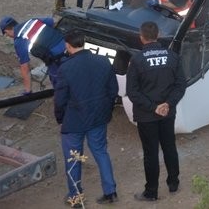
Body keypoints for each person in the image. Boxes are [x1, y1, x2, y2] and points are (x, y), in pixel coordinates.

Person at [54, 30, 119, 207]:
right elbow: (113, 91)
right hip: (98, 117)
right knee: (100, 152)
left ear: (67, 45)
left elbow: (60, 100)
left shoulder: (65, 68)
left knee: (73, 159)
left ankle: (76, 197)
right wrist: (106, 110)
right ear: (84, 42)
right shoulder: (103, 60)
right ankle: (110, 191)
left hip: (74, 122)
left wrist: (60, 119)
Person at [126, 21, 186, 202]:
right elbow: (180, 85)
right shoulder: (172, 56)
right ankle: (173, 183)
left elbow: (132, 92)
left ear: (141, 37)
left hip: (147, 115)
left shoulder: (137, 60)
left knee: (151, 153)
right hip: (168, 112)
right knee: (169, 146)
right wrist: (167, 103)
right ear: (158, 35)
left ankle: (151, 192)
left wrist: (153, 107)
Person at [0, 15, 67, 94]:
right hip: (69, 48)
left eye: (6, 33)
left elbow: (25, 67)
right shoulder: (32, 21)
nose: (7, 35)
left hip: (56, 58)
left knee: (58, 82)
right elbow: (54, 22)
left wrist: (28, 90)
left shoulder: (20, 40)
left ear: (7, 30)